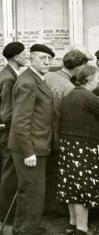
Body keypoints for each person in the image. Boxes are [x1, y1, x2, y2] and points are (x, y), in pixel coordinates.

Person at [56, 65, 99, 235]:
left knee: (71, 186)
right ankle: (82, 229)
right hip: (82, 146)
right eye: (97, 79)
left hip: (68, 145)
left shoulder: (72, 93)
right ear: (89, 80)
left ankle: (72, 224)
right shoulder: (86, 96)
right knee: (82, 188)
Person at [8, 43, 55, 235]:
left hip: (36, 144)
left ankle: (23, 227)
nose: (46, 62)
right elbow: (20, 121)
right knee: (33, 192)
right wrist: (28, 152)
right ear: (31, 59)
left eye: (49, 59)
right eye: (42, 58)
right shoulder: (28, 82)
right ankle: (28, 230)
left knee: (29, 190)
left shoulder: (35, 78)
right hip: (30, 147)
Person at [44, 49, 88, 214]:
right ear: (77, 68)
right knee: (57, 173)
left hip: (41, 132)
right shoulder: (69, 87)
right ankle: (56, 210)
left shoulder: (47, 75)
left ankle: (45, 209)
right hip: (56, 133)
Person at [0, 42, 26, 224]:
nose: (27, 57)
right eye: (25, 54)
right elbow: (7, 112)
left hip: (9, 130)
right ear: (16, 57)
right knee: (9, 171)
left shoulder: (10, 74)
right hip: (9, 132)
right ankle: (6, 216)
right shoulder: (9, 78)